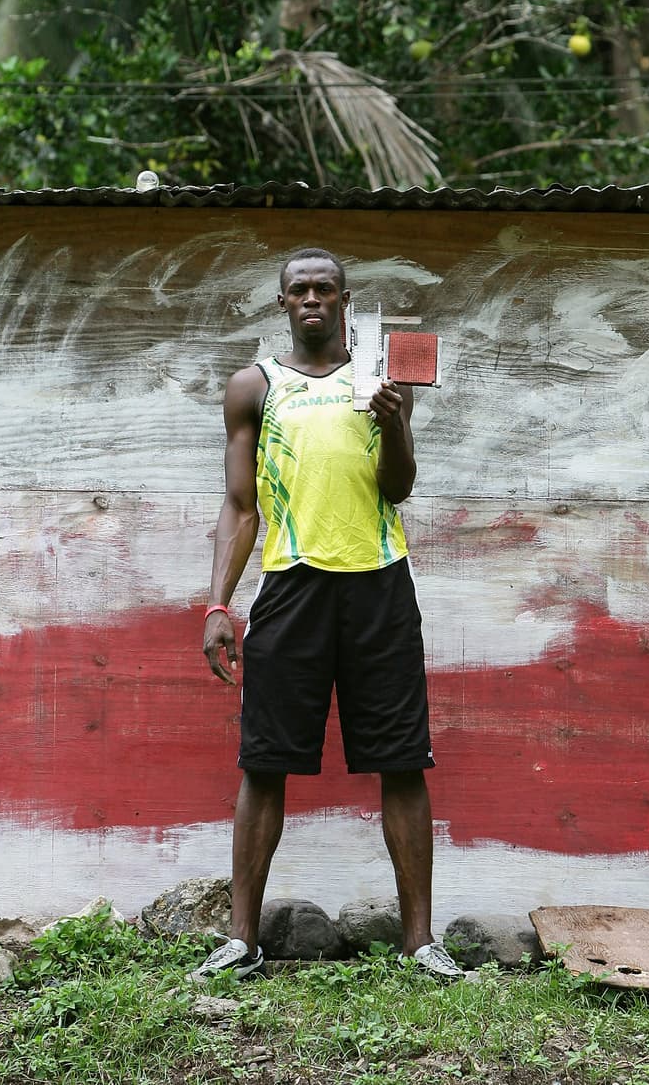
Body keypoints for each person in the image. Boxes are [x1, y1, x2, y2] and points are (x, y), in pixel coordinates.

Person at [193, 245, 460, 983]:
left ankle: (419, 943)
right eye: (299, 290)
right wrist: (220, 602)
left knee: (402, 761)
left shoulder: (379, 381)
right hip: (291, 587)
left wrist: (398, 421)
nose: (312, 299)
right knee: (263, 763)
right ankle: (243, 940)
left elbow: (398, 489)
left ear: (346, 300)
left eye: (325, 289)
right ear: (282, 304)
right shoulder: (255, 386)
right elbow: (241, 506)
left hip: (379, 586)